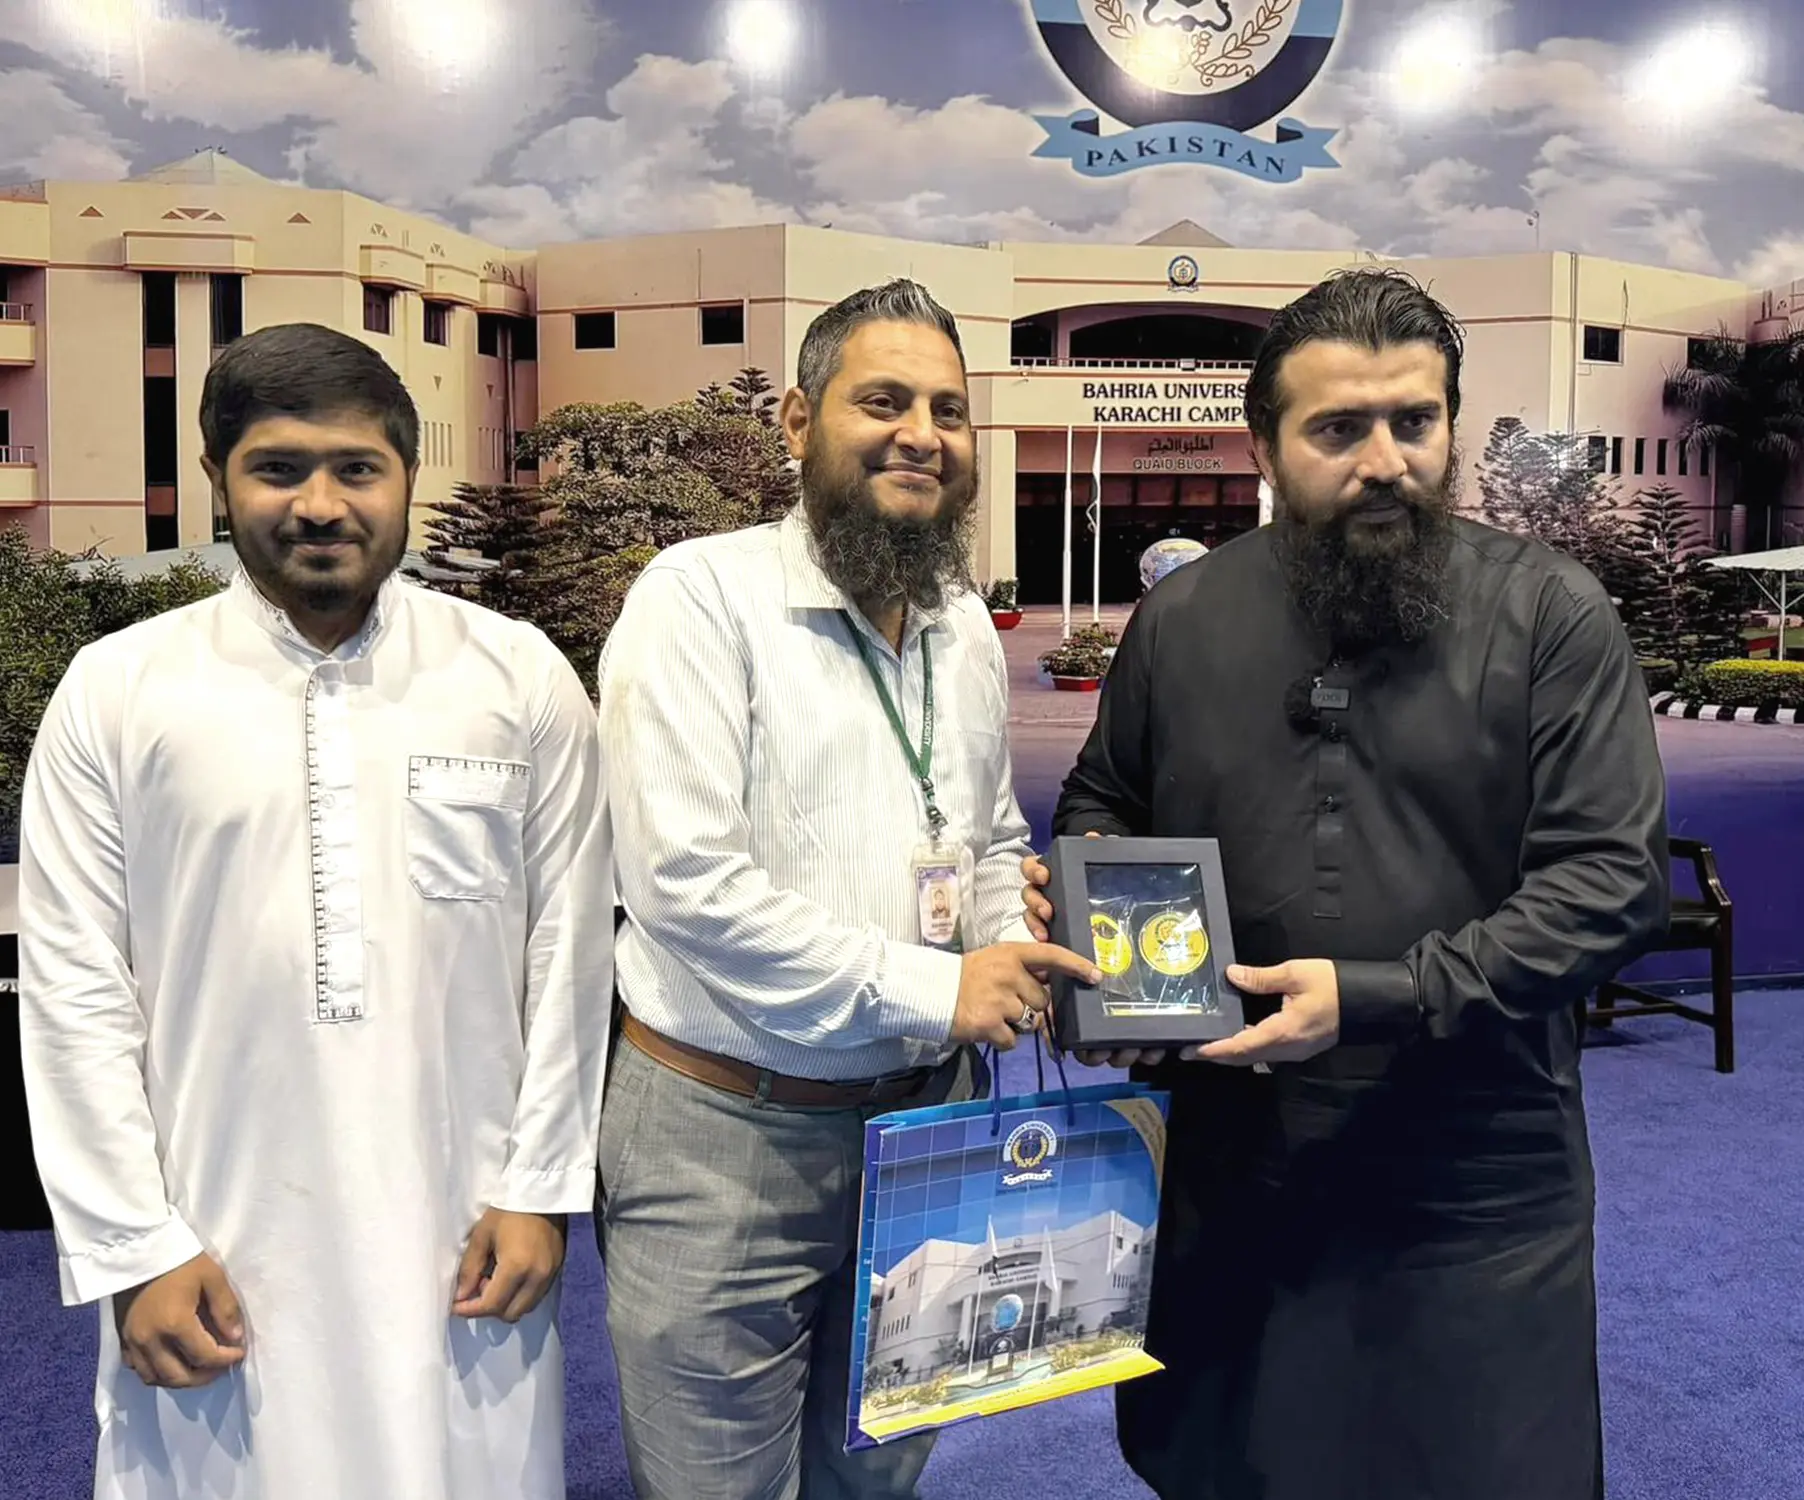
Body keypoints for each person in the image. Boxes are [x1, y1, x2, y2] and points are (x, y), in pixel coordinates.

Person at [1020, 267, 1668, 1500]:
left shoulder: (1550, 616)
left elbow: (1608, 884)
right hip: (1232, 1158)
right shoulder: (1182, 619)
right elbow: (1105, 797)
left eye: (1413, 421)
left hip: (1474, 1178)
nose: (1384, 462)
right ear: (1263, 446)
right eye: (1338, 429)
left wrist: (1376, 996)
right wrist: (1103, 924)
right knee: (1230, 1465)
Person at [17, 323, 612, 1500]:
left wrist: (541, 1186)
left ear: (407, 476)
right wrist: (134, 1244)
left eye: (357, 468)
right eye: (278, 469)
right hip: (213, 1239)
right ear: (217, 479)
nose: (321, 505)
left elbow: (570, 953)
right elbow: (76, 986)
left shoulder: (515, 676)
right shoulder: (121, 690)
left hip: (467, 1232)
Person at [595, 278, 1101, 1500]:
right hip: (727, 1135)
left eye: (947, 410)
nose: (920, 434)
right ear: (797, 420)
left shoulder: (960, 625)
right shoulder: (699, 598)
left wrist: (1009, 944)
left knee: (879, 1470)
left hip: (929, 1127)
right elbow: (683, 883)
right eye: (882, 402)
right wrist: (940, 988)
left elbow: (984, 833)